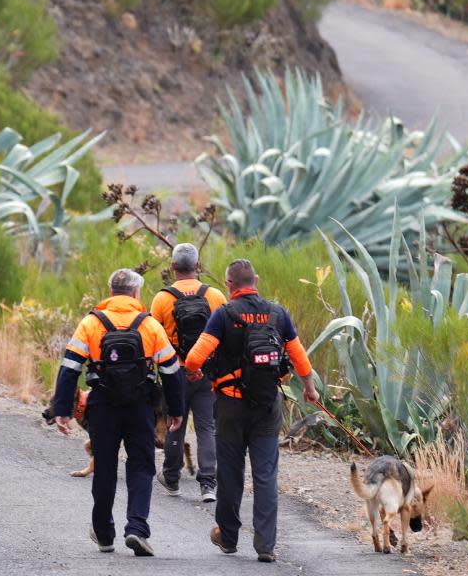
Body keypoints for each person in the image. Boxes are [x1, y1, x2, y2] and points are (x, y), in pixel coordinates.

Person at [184, 258, 319, 564]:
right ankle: (266, 546)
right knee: (265, 475)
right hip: (267, 404)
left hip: (230, 405)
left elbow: (194, 359)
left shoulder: (224, 314)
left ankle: (229, 538)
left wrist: (195, 373)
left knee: (230, 473)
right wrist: (309, 388)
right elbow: (299, 358)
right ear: (255, 280)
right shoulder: (277, 313)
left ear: (229, 284)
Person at [51, 268, 185, 557]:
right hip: (140, 408)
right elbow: (171, 370)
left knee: (105, 470)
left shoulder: (91, 322)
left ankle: (103, 533)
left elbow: (70, 367)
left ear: (110, 292)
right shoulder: (149, 325)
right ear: (136, 294)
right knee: (141, 467)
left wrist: (62, 409)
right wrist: (176, 410)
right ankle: (136, 528)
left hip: (102, 407)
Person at [149, 242, 227, 503]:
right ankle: (208, 484)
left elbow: (152, 339)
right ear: (198, 266)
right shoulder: (215, 296)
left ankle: (171, 479)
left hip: (175, 373)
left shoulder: (162, 298)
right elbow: (226, 335)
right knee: (207, 426)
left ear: (172, 267)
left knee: (175, 423)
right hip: (207, 372)